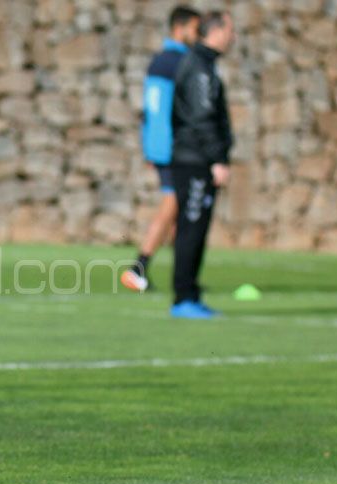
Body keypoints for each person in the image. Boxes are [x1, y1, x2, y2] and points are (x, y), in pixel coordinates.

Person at [121, 5, 200, 293]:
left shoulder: (160, 61)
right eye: (195, 28)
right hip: (173, 147)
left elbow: (151, 110)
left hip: (159, 143)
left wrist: (150, 145)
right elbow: (174, 111)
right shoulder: (180, 62)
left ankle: (184, 274)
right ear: (180, 28)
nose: (198, 35)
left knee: (180, 210)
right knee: (173, 204)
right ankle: (138, 267)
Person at [168, 10, 235, 318]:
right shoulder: (200, 69)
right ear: (216, 32)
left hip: (196, 158)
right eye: (229, 30)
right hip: (195, 161)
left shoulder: (204, 65)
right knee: (191, 227)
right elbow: (201, 118)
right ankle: (183, 297)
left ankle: (190, 293)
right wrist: (217, 159)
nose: (232, 37)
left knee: (195, 227)